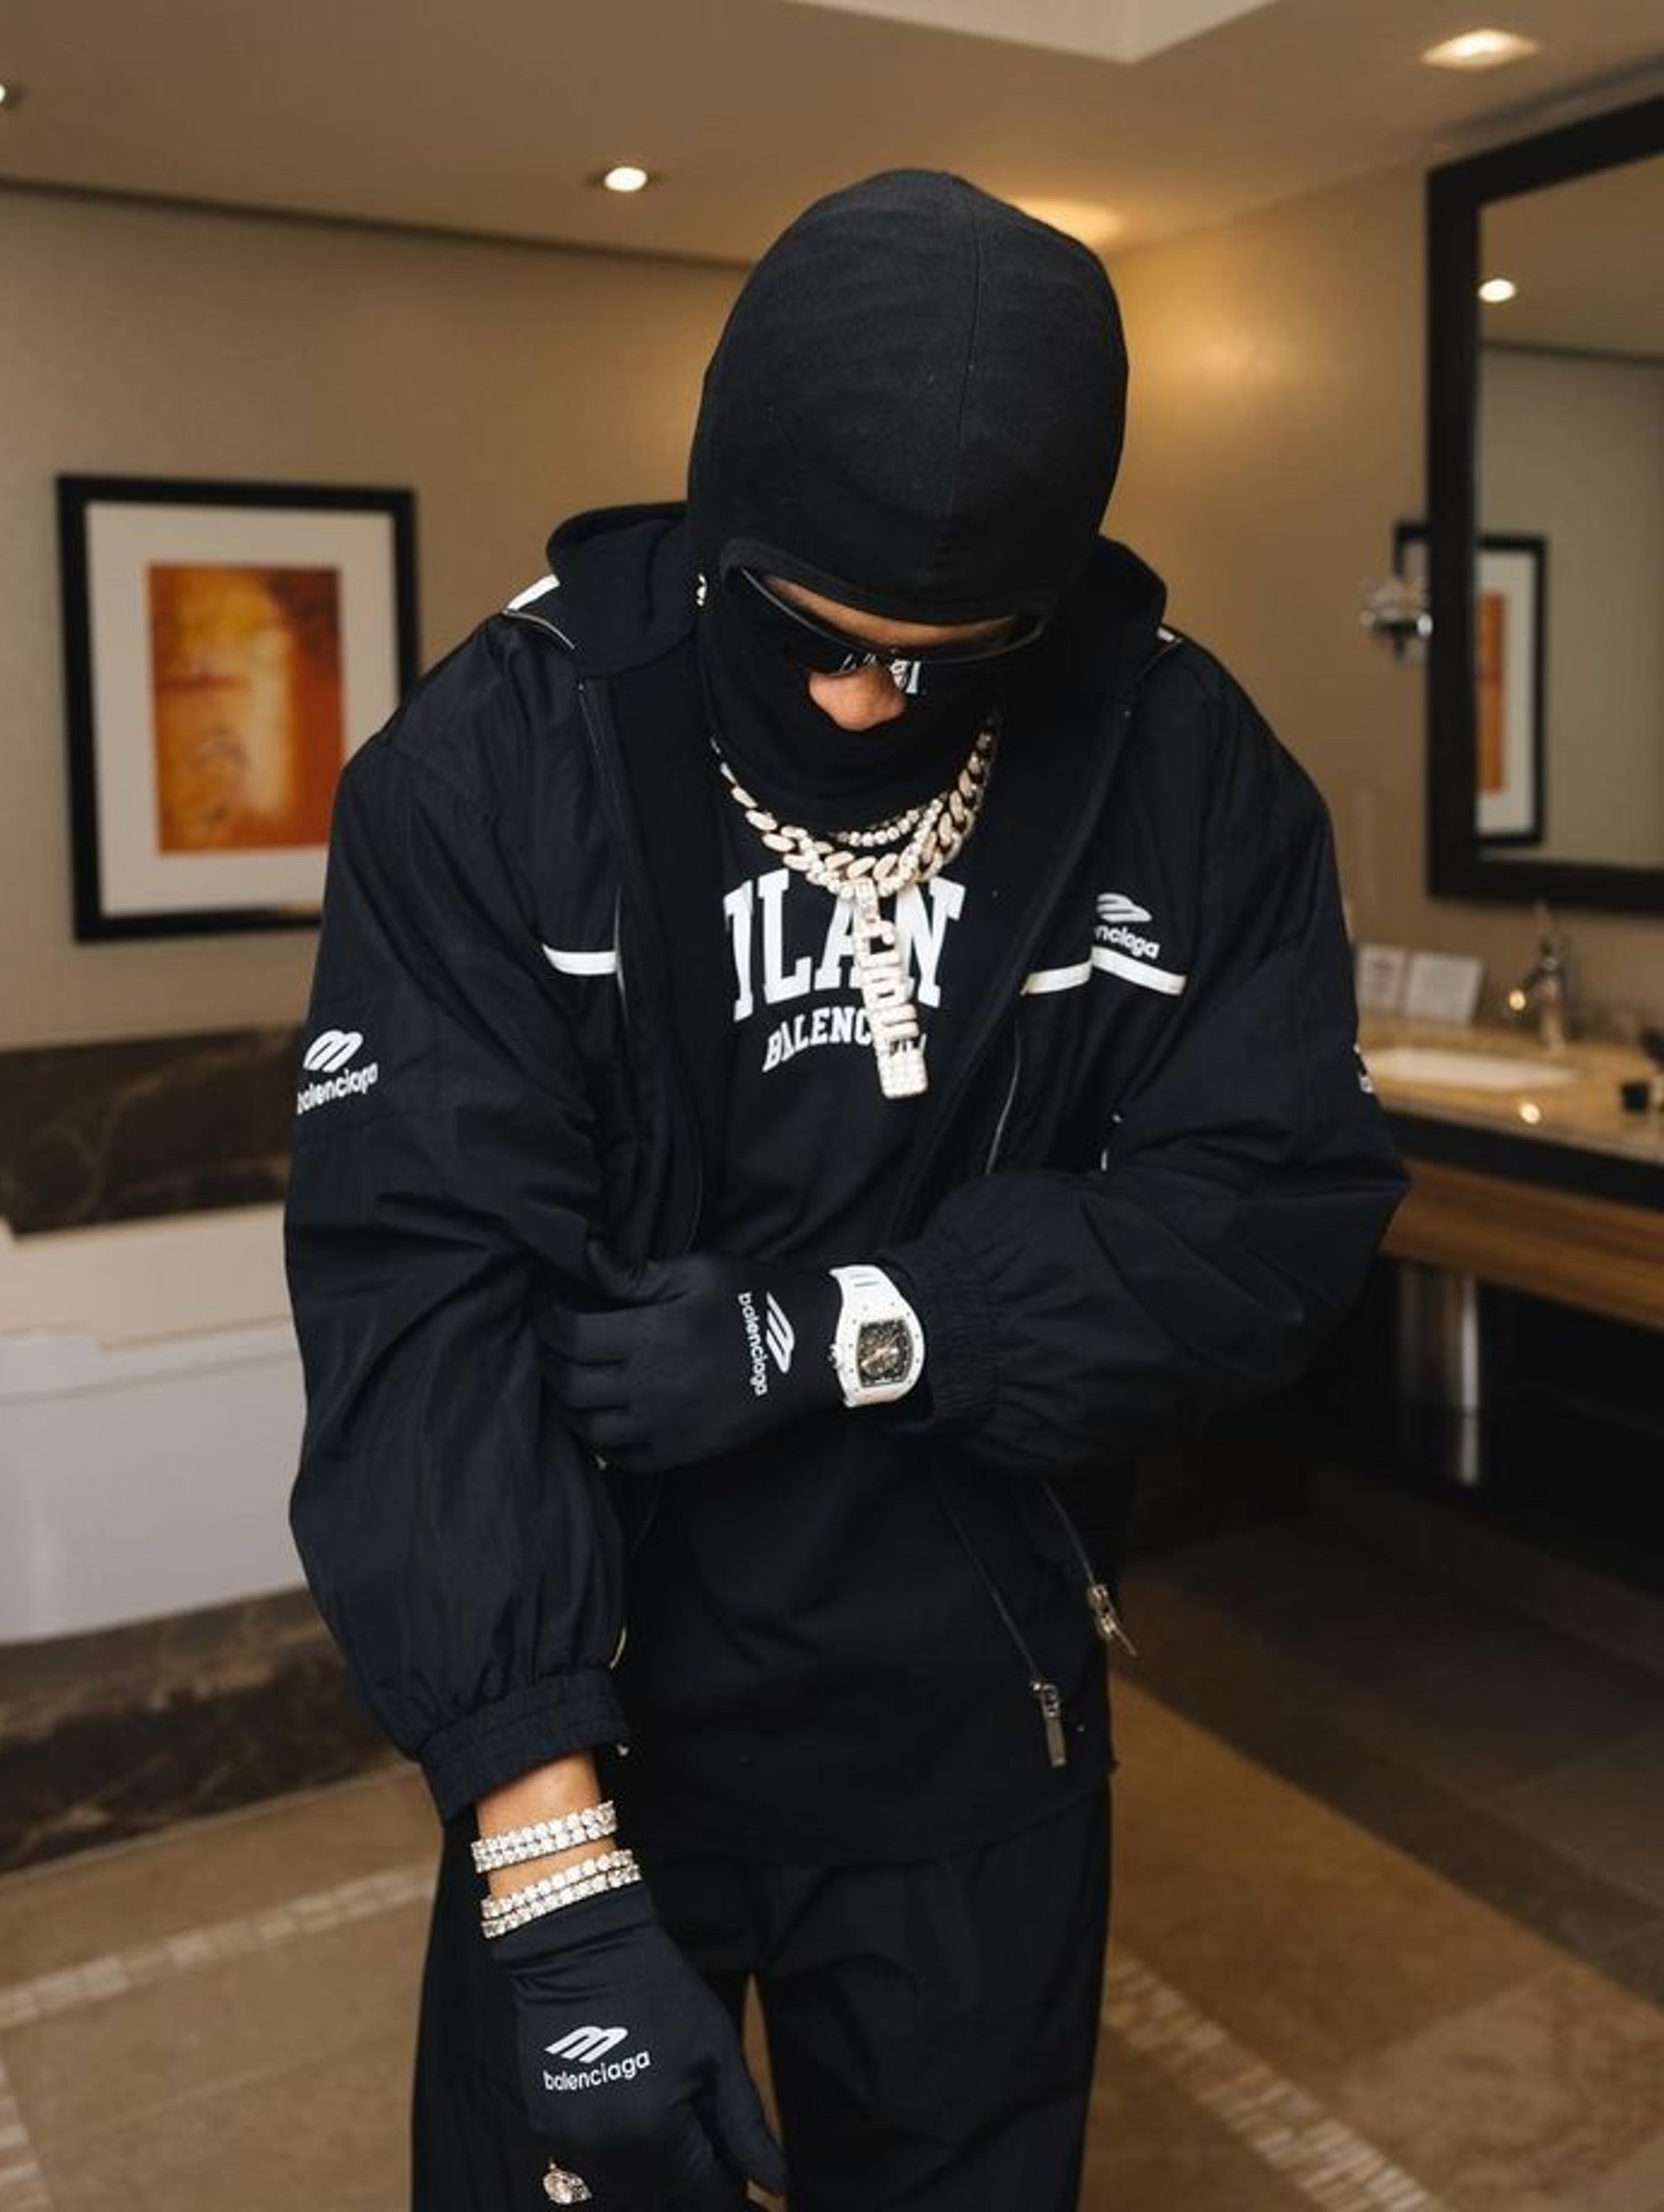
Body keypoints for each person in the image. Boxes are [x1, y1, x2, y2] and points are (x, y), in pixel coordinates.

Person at [284, 169, 1409, 2212]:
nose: (863, 703)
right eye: (810, 636)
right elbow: (417, 1295)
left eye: (945, 659)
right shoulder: (500, 761)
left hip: (975, 1743)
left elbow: (1274, 1211)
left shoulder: (1187, 764)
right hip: (603, 1738)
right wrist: (544, 1869)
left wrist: (869, 1330)